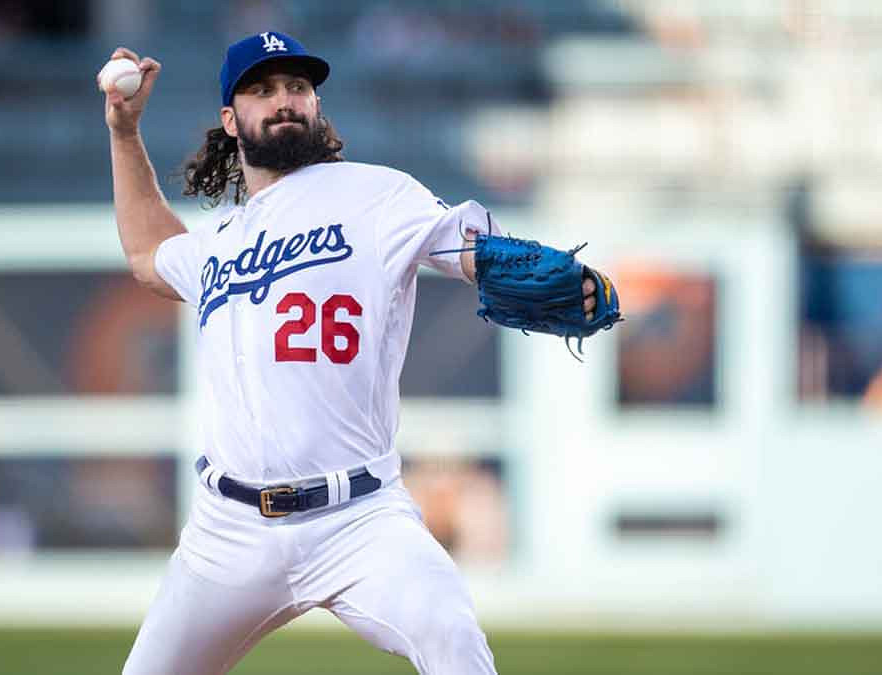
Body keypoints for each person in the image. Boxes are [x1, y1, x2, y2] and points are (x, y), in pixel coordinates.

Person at [103, 31, 599, 675]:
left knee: (453, 638)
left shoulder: (378, 196)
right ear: (230, 120)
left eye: (298, 87)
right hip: (228, 532)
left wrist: (518, 268)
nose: (284, 100)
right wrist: (123, 132)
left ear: (316, 107)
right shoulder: (218, 244)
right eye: (262, 89)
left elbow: (475, 253)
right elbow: (147, 257)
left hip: (360, 519)